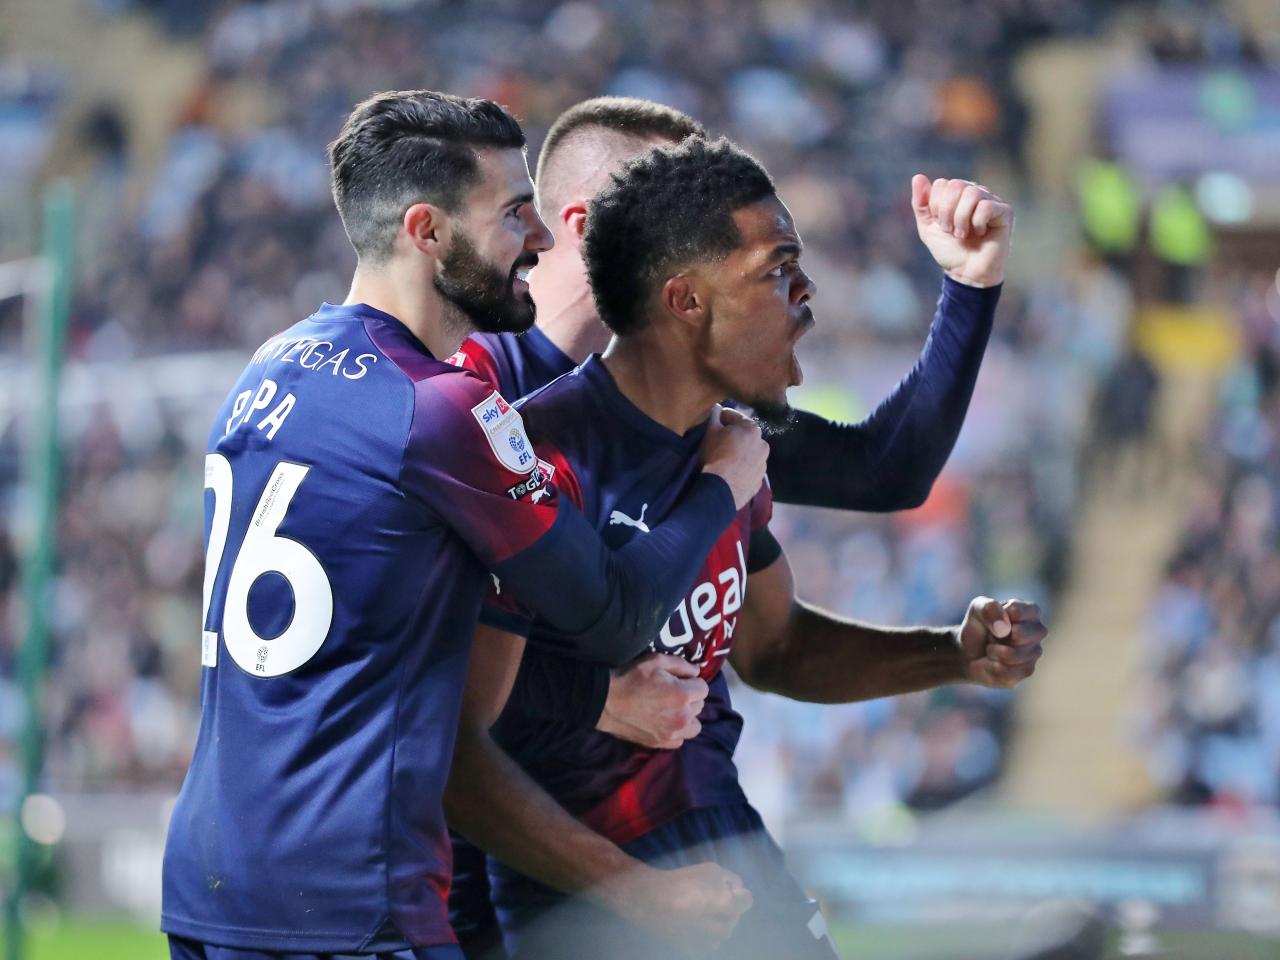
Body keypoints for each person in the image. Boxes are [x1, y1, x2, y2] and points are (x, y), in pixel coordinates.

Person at [160, 90, 769, 960]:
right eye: (514, 213)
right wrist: (723, 483)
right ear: (428, 230)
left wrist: (591, 700)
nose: (542, 239)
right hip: (349, 898)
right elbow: (617, 613)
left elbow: (384, 645)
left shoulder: (272, 364)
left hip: (212, 887)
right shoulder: (439, 410)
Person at [444, 137, 1045, 959]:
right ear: (687, 299)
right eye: (776, 269)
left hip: (729, 857)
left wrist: (950, 655)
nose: (806, 294)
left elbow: (779, 647)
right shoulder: (540, 456)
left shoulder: (732, 448)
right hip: (588, 904)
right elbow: (454, 738)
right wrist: (631, 885)